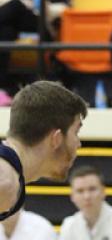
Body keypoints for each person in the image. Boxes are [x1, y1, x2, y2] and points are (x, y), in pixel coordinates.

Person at [0, 80, 87, 222]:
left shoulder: (10, 177)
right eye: (76, 132)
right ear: (56, 139)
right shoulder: (5, 183)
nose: (78, 143)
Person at [0, 0, 71, 104]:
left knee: (16, 5)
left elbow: (64, 8)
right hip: (14, 23)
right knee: (4, 31)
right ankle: (2, 88)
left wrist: (40, 4)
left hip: (41, 23)